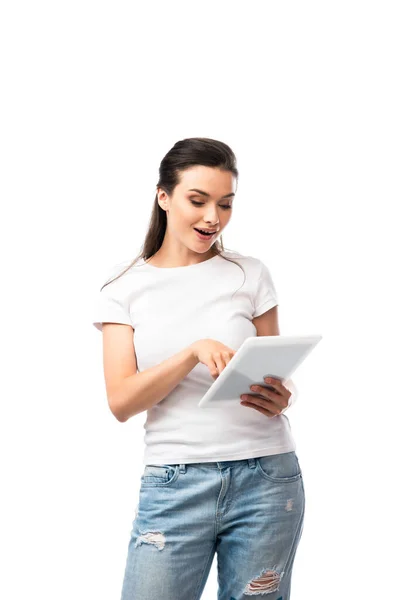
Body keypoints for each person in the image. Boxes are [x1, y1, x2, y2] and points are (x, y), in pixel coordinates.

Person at [92, 137, 305, 599]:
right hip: (174, 482)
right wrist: (191, 353)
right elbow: (121, 402)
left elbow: (276, 371)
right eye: (198, 200)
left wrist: (281, 396)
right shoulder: (124, 288)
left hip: (266, 478)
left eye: (225, 204)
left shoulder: (250, 273)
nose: (213, 217)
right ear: (163, 197)